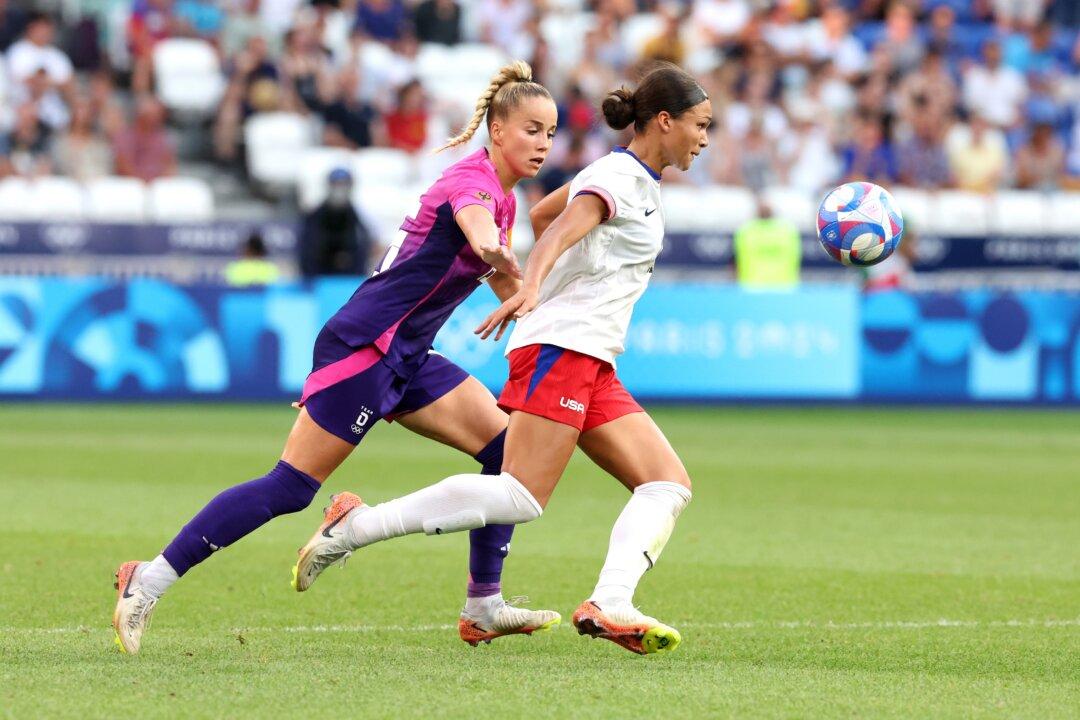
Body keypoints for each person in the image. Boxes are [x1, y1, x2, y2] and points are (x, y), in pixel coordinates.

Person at [112, 61, 561, 654]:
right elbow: (479, 236)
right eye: (532, 129)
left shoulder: (503, 200)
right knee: (290, 487)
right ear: (498, 131)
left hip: (408, 355)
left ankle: (483, 605)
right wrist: (499, 255)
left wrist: (549, 318)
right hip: (365, 346)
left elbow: (509, 288)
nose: (543, 144)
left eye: (551, 134)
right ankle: (147, 579)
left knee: (506, 451)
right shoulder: (471, 184)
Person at [293, 63, 711, 656]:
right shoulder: (619, 176)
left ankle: (611, 601)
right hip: (562, 349)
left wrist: (563, 280)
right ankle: (355, 527)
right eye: (700, 124)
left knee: (667, 484)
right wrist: (536, 286)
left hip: (591, 357)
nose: (704, 137)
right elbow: (559, 229)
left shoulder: (630, 179)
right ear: (664, 121)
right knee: (521, 494)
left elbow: (544, 216)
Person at [298, 168, 376, 278]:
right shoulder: (314, 217)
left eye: (344, 184)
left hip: (349, 280)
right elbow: (306, 252)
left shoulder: (358, 217)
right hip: (320, 279)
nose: (340, 189)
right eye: (336, 184)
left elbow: (362, 251)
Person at [733, 196, 801, 289]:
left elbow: (735, 264)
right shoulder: (788, 230)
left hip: (755, 288)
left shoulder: (745, 231)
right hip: (781, 288)